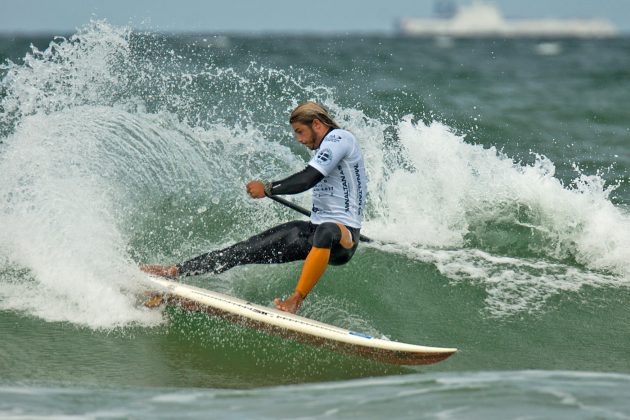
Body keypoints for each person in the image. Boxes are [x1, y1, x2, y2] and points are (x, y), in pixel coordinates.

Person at [141, 101, 367, 314]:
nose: (298, 139)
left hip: (343, 238)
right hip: (314, 231)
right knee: (244, 250)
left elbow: (308, 178)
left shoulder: (339, 139)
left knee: (327, 229)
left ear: (316, 124)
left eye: (300, 131)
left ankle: (295, 300)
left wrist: (268, 188)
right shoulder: (326, 147)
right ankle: (176, 271)